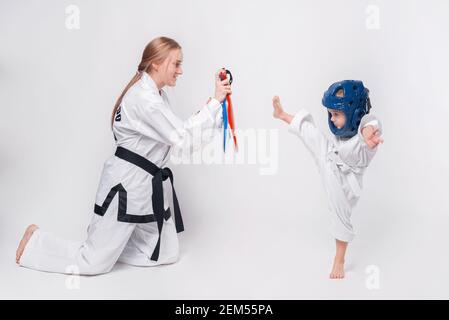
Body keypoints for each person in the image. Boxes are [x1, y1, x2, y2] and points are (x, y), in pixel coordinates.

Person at [16, 36, 231, 275]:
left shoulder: (157, 95)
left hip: (146, 185)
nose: (180, 71)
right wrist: (213, 103)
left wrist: (216, 105)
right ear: (156, 63)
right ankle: (36, 242)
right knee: (92, 263)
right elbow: (182, 138)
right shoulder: (144, 99)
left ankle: (109, 244)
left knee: (166, 253)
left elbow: (183, 141)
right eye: (176, 64)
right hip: (126, 183)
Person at [272, 80, 383, 279]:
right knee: (311, 133)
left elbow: (371, 122)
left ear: (355, 115)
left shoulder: (365, 141)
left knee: (341, 220)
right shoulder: (342, 137)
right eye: (330, 114)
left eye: (337, 115)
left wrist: (367, 133)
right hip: (330, 161)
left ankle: (339, 259)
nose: (332, 120)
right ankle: (282, 115)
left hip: (344, 186)